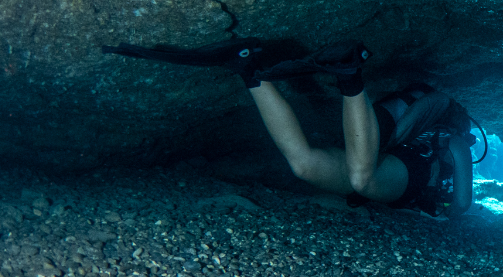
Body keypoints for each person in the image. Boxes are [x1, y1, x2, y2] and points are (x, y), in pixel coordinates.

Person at [102, 38, 475, 218]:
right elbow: (460, 205)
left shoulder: (431, 129)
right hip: (402, 179)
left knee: (305, 167)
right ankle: (349, 74)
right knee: (363, 180)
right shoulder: (456, 141)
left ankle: (248, 70)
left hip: (389, 159)